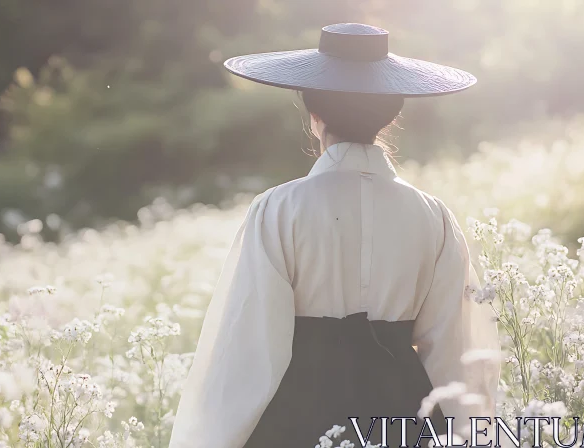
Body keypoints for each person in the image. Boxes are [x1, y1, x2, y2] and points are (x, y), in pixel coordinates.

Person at [168, 23, 501, 448]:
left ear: (314, 115)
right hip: (401, 424)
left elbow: (246, 350)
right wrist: (475, 436)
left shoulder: (277, 210)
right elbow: (457, 354)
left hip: (296, 422)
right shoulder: (432, 217)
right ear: (391, 115)